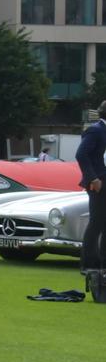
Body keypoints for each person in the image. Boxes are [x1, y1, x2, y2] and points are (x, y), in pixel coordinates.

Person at [78, 101, 106, 275]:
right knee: (96, 222)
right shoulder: (96, 130)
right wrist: (93, 178)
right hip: (99, 181)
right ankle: (89, 264)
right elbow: (81, 154)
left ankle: (103, 264)